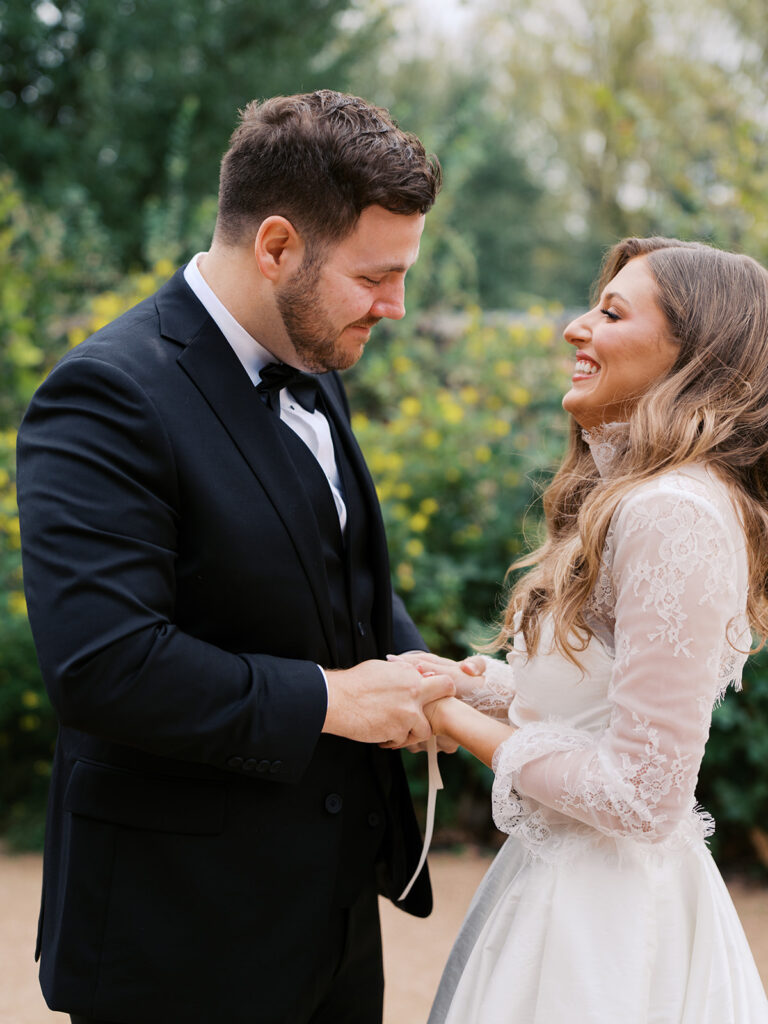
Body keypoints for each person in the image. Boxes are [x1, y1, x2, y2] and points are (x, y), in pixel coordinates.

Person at [15, 90, 452, 1024]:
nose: (398, 306)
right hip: (178, 940)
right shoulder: (105, 394)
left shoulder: (312, 351)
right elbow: (105, 667)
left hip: (328, 929)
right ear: (278, 246)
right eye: (377, 275)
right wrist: (338, 701)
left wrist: (422, 675)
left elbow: (331, 575)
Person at [399, 237, 768, 1022]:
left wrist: (454, 723)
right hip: (564, 886)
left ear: (693, 352)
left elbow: (643, 794)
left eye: (610, 312)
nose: (575, 327)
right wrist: (476, 684)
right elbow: (600, 704)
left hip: (607, 936)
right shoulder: (652, 497)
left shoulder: (673, 511)